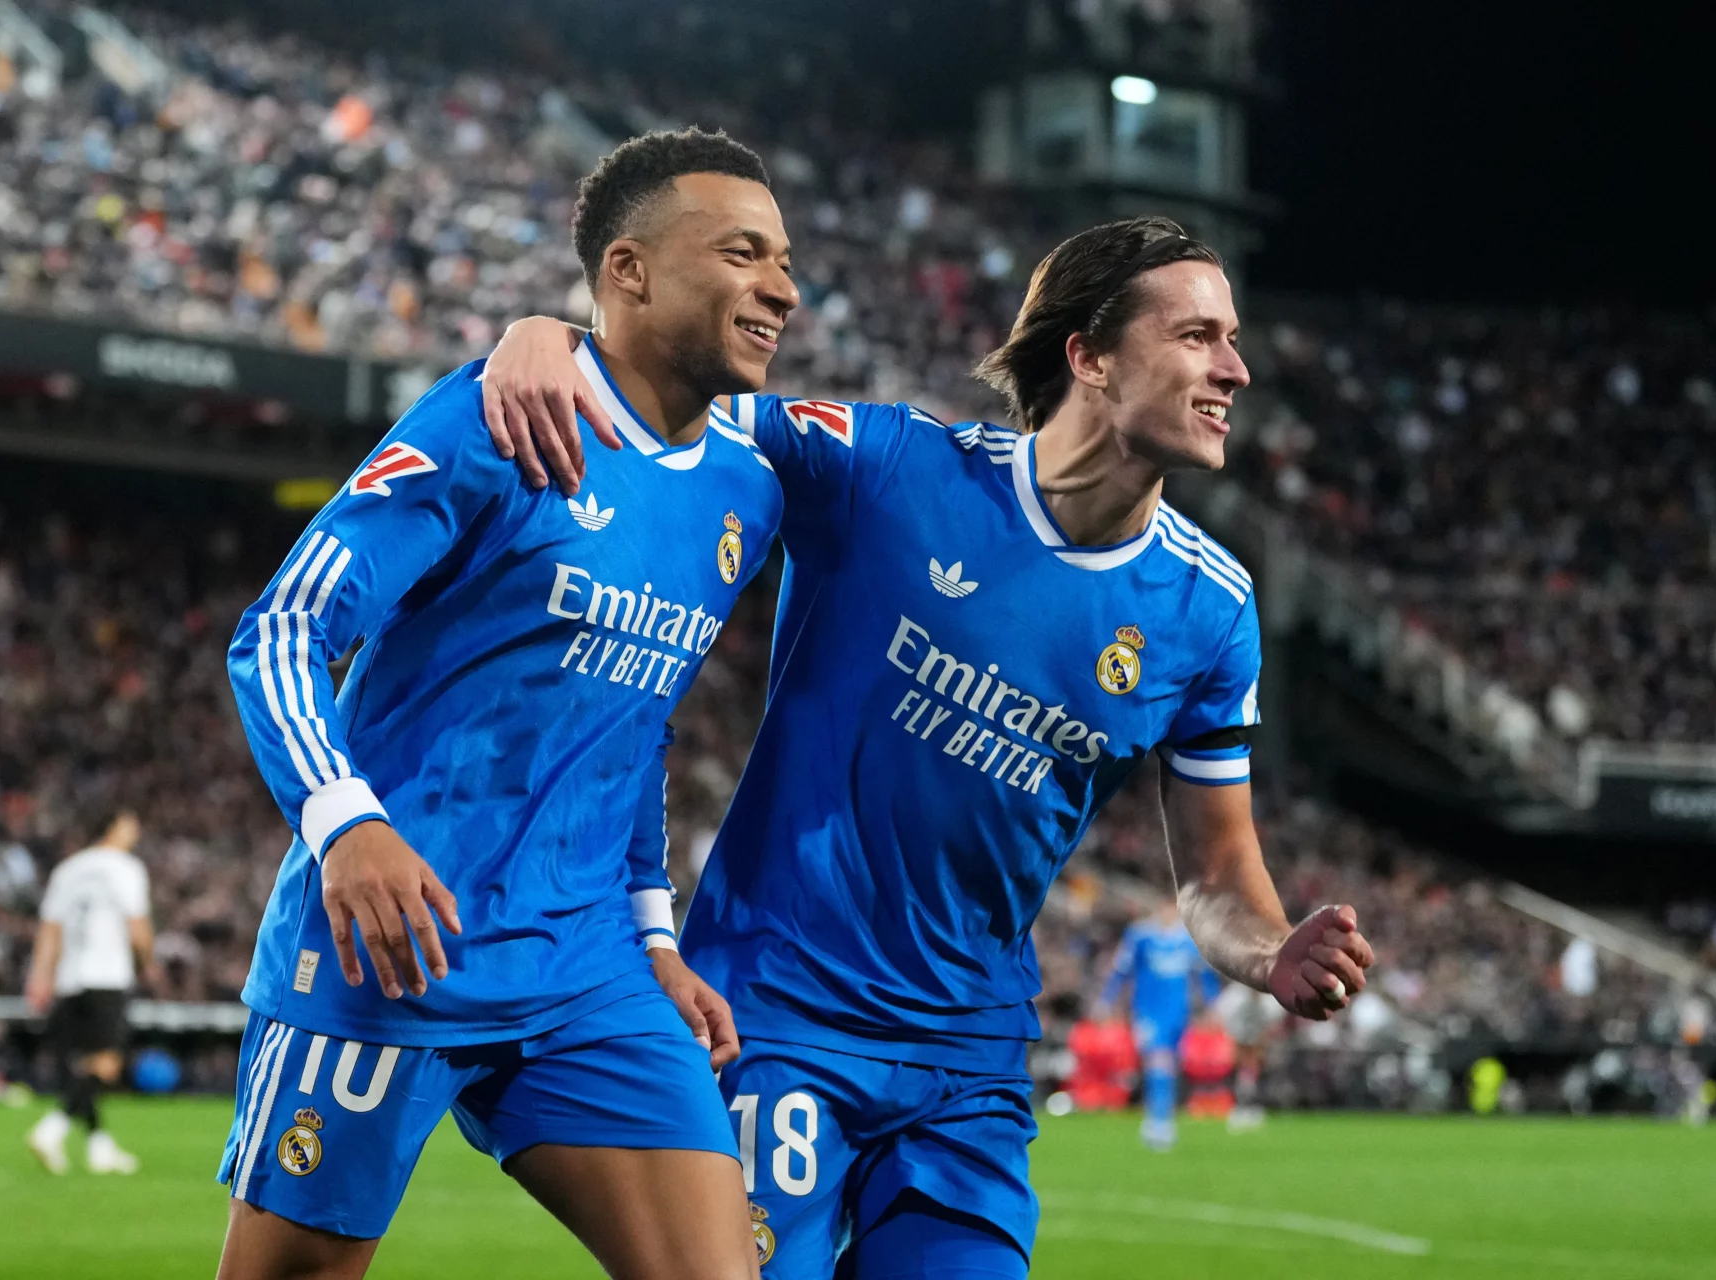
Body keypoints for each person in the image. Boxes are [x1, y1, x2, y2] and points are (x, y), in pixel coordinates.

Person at [481, 213, 1376, 1278]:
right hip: (776, 1017)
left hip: (968, 1067)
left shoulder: (1211, 609)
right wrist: (551, 336)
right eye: (1195, 336)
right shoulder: (886, 469)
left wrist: (1271, 950)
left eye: (1232, 338)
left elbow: (1220, 871)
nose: (1233, 366)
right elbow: (665, 410)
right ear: (1088, 355)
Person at [214, 128, 794, 1280]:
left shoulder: (748, 483)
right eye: (743, 253)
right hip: (396, 940)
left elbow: (635, 721)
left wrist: (652, 933)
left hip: (588, 962)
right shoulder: (497, 418)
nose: (782, 286)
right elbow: (281, 629)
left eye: (785, 259)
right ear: (628, 270)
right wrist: (347, 823)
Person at [25, 810, 153, 1175]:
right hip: (107, 974)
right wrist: (149, 963)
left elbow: (50, 930)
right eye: (130, 823)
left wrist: (40, 978)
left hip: (70, 977)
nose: (136, 831)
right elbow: (137, 925)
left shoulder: (69, 870)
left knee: (84, 1066)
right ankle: (52, 1130)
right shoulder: (125, 868)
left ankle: (100, 1147)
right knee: (106, 1064)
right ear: (112, 827)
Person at [1094, 903, 1220, 1151]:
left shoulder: (1187, 940)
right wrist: (1107, 1000)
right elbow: (1122, 970)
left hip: (1178, 1013)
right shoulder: (1140, 936)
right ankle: (1159, 1121)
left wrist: (1211, 1004)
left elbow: (1203, 975)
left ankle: (1161, 1118)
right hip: (1148, 1012)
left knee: (1168, 1064)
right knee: (1158, 1061)